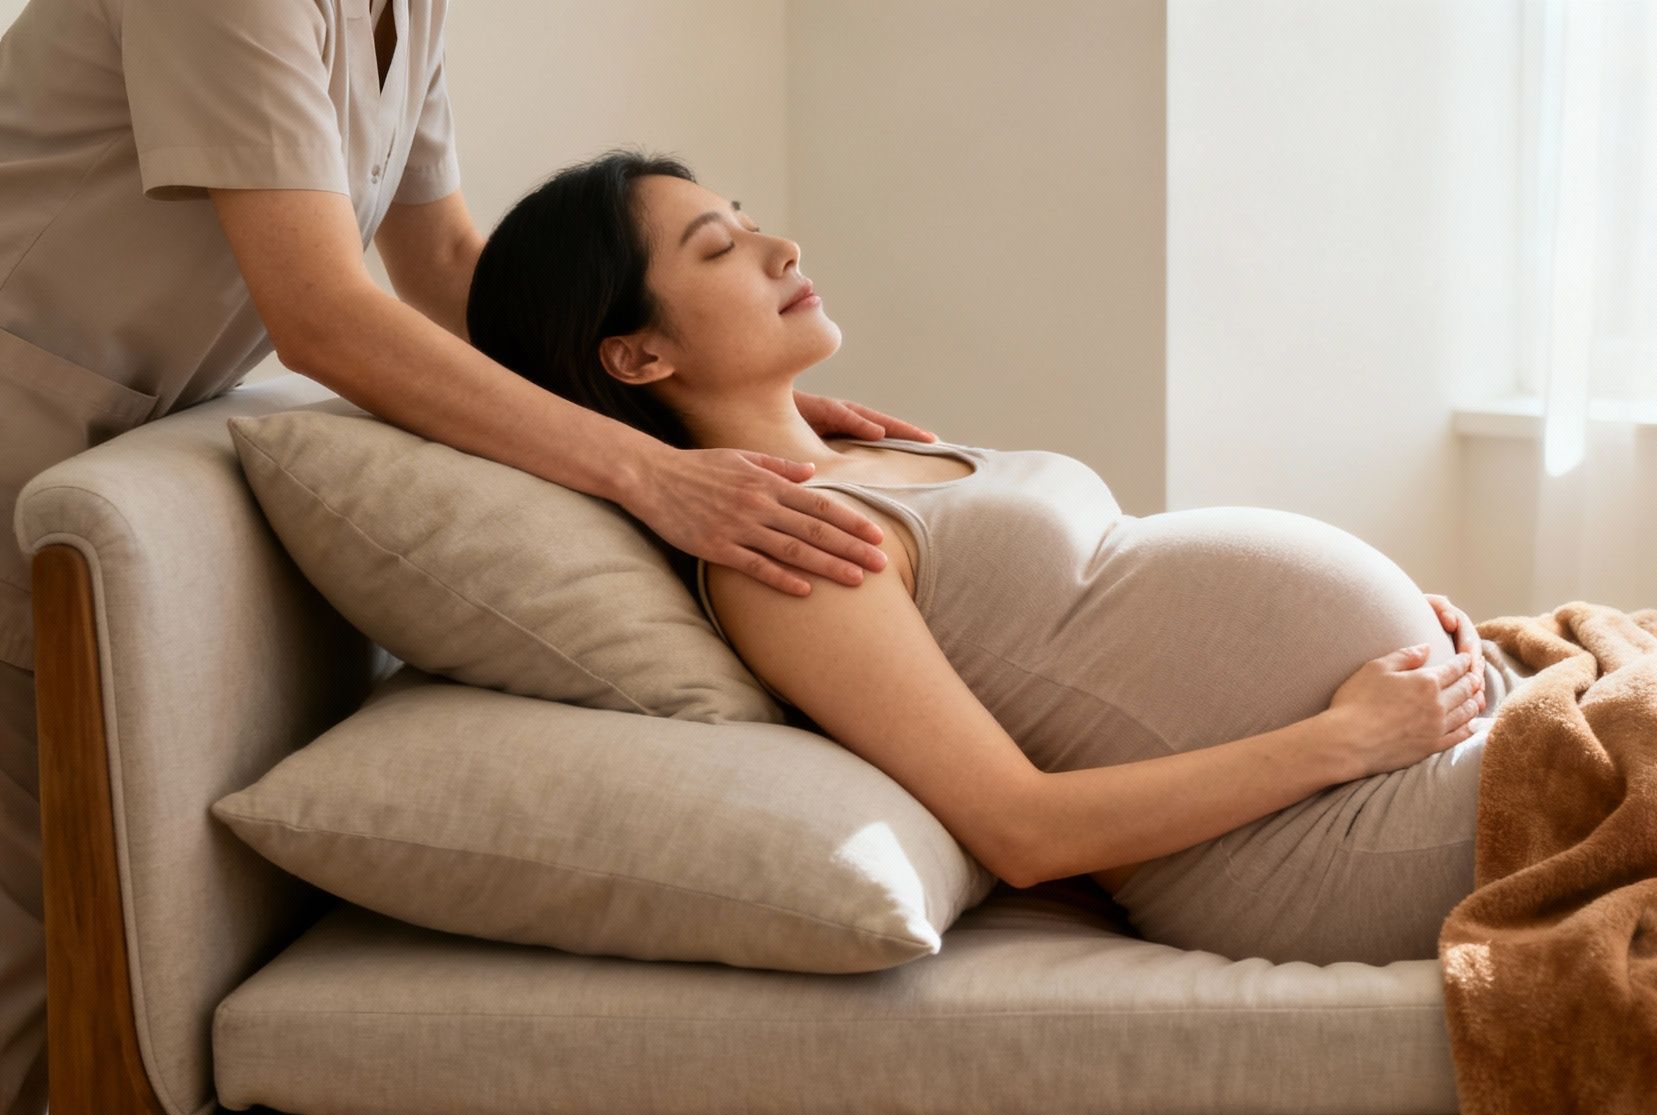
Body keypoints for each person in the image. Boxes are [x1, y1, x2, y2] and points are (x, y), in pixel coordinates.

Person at [0, 4, 932, 1115]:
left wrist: (705, 412)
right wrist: (652, 472)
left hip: (96, 438)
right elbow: (325, 315)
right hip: (26, 437)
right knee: (24, 939)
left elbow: (443, 263)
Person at [463, 147, 1533, 972]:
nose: (781, 248)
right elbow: (1020, 830)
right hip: (1321, 848)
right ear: (639, 354)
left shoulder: (859, 450)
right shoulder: (785, 556)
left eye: (748, 225)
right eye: (717, 249)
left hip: (1407, 744)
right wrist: (1343, 736)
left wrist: (1390, 635)